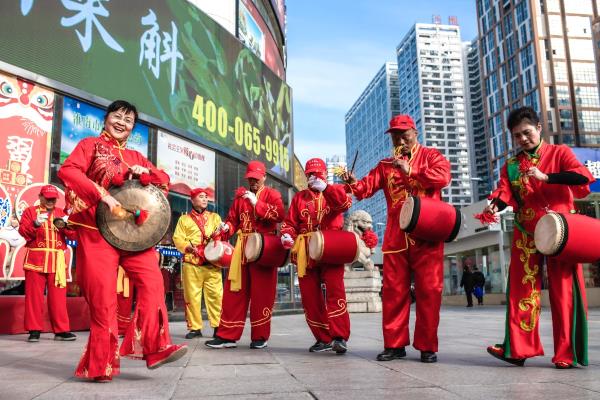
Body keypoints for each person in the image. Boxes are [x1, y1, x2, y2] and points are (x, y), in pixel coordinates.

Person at [58, 100, 187, 382]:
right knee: (104, 302)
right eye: (117, 116)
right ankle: (100, 366)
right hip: (96, 231)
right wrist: (101, 193)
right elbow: (68, 171)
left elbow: (163, 180)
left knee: (153, 285)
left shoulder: (136, 156)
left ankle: (155, 348)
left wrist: (147, 174)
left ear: (133, 128)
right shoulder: (90, 145)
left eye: (128, 120)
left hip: (134, 236)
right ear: (106, 120)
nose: (122, 123)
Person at [483, 106, 594, 369]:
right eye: (517, 136)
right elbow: (504, 192)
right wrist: (494, 206)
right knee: (522, 290)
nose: (522, 139)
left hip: (561, 231)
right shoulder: (510, 166)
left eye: (527, 132)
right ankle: (518, 349)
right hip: (526, 233)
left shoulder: (559, 153)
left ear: (539, 128)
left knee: (563, 291)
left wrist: (547, 177)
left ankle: (566, 354)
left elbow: (582, 178)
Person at [342, 114, 451, 363]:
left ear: (415, 132)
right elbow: (364, 188)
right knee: (393, 292)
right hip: (396, 237)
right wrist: (352, 183)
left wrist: (411, 169)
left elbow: (443, 178)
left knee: (429, 290)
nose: (400, 139)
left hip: (427, 233)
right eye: (395, 135)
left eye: (404, 134)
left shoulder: (432, 156)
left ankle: (427, 346)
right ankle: (394, 344)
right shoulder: (385, 164)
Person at [205, 160, 284, 350]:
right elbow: (233, 221)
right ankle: (227, 335)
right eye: (251, 179)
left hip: (263, 248)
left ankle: (260, 336)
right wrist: (226, 228)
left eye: (257, 179)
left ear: (264, 177)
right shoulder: (240, 198)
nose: (254, 182)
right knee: (234, 291)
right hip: (241, 249)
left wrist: (258, 204)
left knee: (262, 294)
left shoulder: (273, 195)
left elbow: (280, 215)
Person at [280, 158, 352, 354]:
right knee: (310, 296)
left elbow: (345, 204)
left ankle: (339, 336)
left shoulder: (335, 190)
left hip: (331, 247)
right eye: (310, 174)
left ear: (324, 174)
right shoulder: (299, 197)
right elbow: (290, 222)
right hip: (306, 251)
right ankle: (322, 338)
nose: (313, 177)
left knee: (335, 292)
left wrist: (327, 188)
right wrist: (286, 234)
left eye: (317, 173)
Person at [18, 184, 76, 343]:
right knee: (33, 297)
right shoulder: (30, 212)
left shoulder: (61, 213)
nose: (50, 201)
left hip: (56, 260)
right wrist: (35, 224)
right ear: (40, 197)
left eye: (53, 198)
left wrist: (68, 225)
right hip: (35, 259)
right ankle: (34, 330)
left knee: (58, 297)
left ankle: (61, 330)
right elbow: (24, 232)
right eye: (48, 198)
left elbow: (73, 235)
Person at [173, 187, 223, 339]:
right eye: (201, 197)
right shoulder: (184, 219)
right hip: (192, 262)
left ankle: (218, 326)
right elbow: (178, 238)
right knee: (192, 297)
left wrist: (219, 235)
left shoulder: (215, 217)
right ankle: (195, 328)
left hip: (212, 262)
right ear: (192, 200)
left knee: (216, 296)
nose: (205, 199)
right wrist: (187, 247)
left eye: (206, 197)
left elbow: (221, 236)